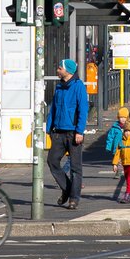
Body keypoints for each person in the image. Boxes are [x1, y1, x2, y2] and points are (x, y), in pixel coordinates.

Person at [46, 58, 89, 209]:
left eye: (59, 68)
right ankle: (67, 188)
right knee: (52, 161)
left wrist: (79, 131)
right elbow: (53, 109)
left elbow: (83, 110)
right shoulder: (59, 87)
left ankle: (74, 198)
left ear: (67, 71)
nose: (57, 70)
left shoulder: (78, 87)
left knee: (75, 168)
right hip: (58, 132)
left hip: (73, 133)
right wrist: (48, 129)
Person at [104, 105, 130, 203]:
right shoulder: (121, 142)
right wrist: (114, 163)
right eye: (126, 131)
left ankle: (127, 195)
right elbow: (117, 153)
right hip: (125, 162)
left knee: (128, 179)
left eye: (129, 131)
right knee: (129, 178)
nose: (127, 133)